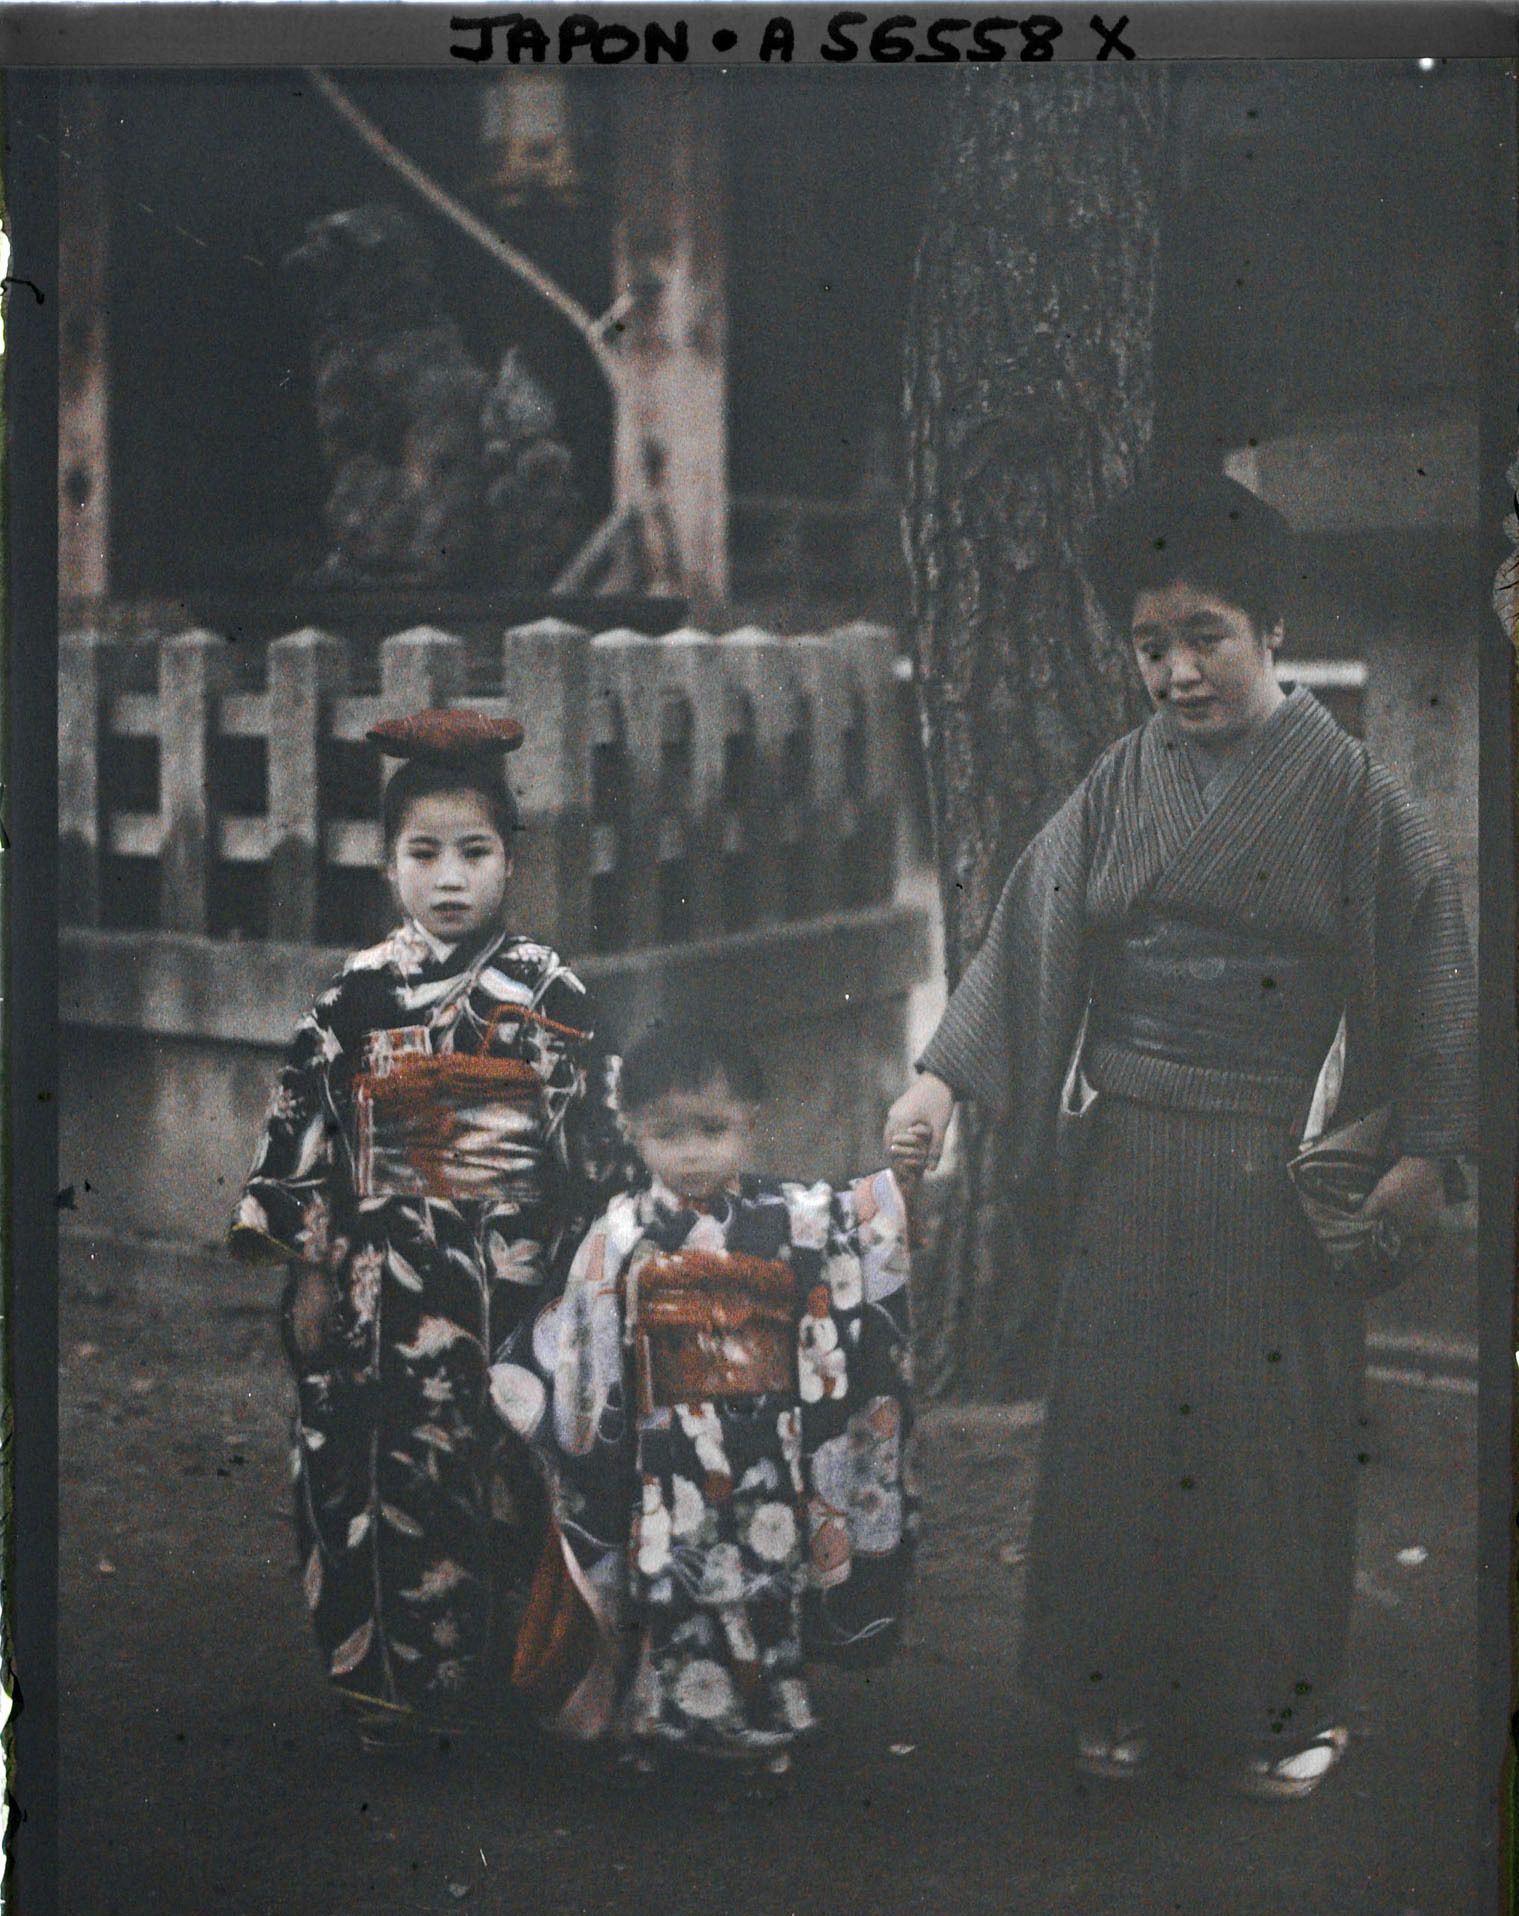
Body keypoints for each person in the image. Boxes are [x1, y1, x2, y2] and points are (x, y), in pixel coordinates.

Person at [885, 471, 1476, 1798]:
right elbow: (1027, 933)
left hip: (1275, 1162)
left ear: (1270, 627)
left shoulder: (1346, 794)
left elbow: (1431, 964)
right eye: (1147, 645)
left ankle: (1273, 1712)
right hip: (1130, 1150)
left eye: (1202, 633)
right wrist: (940, 1083)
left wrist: (1423, 1151)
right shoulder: (1119, 781)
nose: (1173, 672)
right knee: (1116, 1433)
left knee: (1271, 1437)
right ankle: (1119, 1701)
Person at [230, 707, 636, 1753]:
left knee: (504, 1479)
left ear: (509, 860)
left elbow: (593, 1149)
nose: (448, 876)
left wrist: (592, 1273)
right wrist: (309, 1269)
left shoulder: (549, 991)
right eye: (423, 853)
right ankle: (393, 1696)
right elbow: (301, 1138)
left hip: (514, 1288)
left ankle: (519, 1683)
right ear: (387, 862)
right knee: (377, 1481)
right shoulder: (354, 995)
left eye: (473, 851)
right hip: (380, 1289)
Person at [492, 1023, 924, 1780]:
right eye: (667, 1133)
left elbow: (863, 1222)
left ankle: (763, 1720)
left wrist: (901, 1182)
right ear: (630, 1132)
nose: (692, 1151)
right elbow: (587, 1346)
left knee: (762, 1578)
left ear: (751, 1122)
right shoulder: (621, 1231)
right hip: (665, 1445)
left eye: (714, 1130)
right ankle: (668, 1717)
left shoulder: (793, 1217)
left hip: (766, 1441)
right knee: (674, 1583)